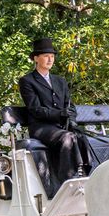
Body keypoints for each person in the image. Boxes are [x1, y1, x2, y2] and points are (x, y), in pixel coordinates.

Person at [18, 38, 90, 183]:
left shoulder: (60, 81)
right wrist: (60, 114)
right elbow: (35, 109)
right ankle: (67, 179)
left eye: (52, 56)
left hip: (61, 126)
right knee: (67, 138)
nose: (50, 59)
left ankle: (86, 173)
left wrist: (71, 119)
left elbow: (69, 105)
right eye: (46, 56)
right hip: (41, 127)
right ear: (36, 58)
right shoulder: (27, 81)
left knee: (81, 136)